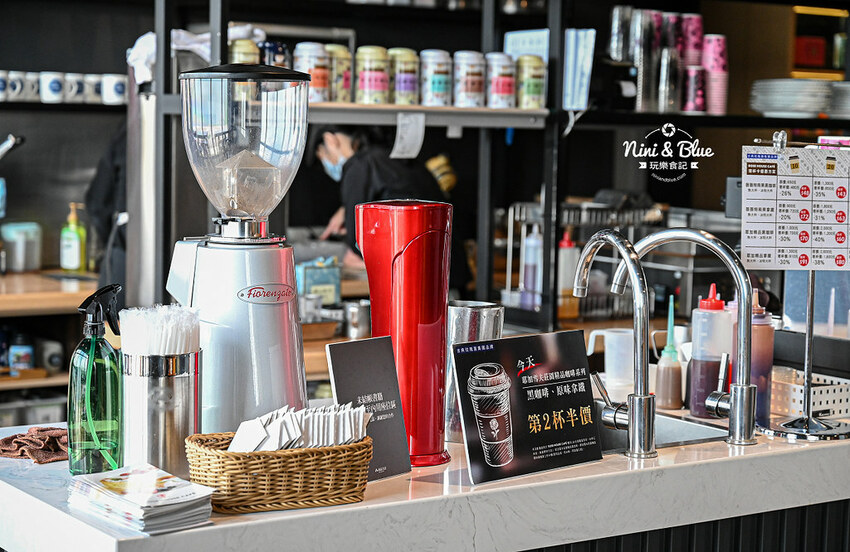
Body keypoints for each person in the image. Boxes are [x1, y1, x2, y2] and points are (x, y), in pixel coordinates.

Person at [312, 125, 470, 293]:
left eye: (322, 156)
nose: (326, 164)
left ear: (330, 140)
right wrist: (346, 210)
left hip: (420, 284)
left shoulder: (360, 166)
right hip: (448, 275)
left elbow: (357, 243)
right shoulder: (392, 157)